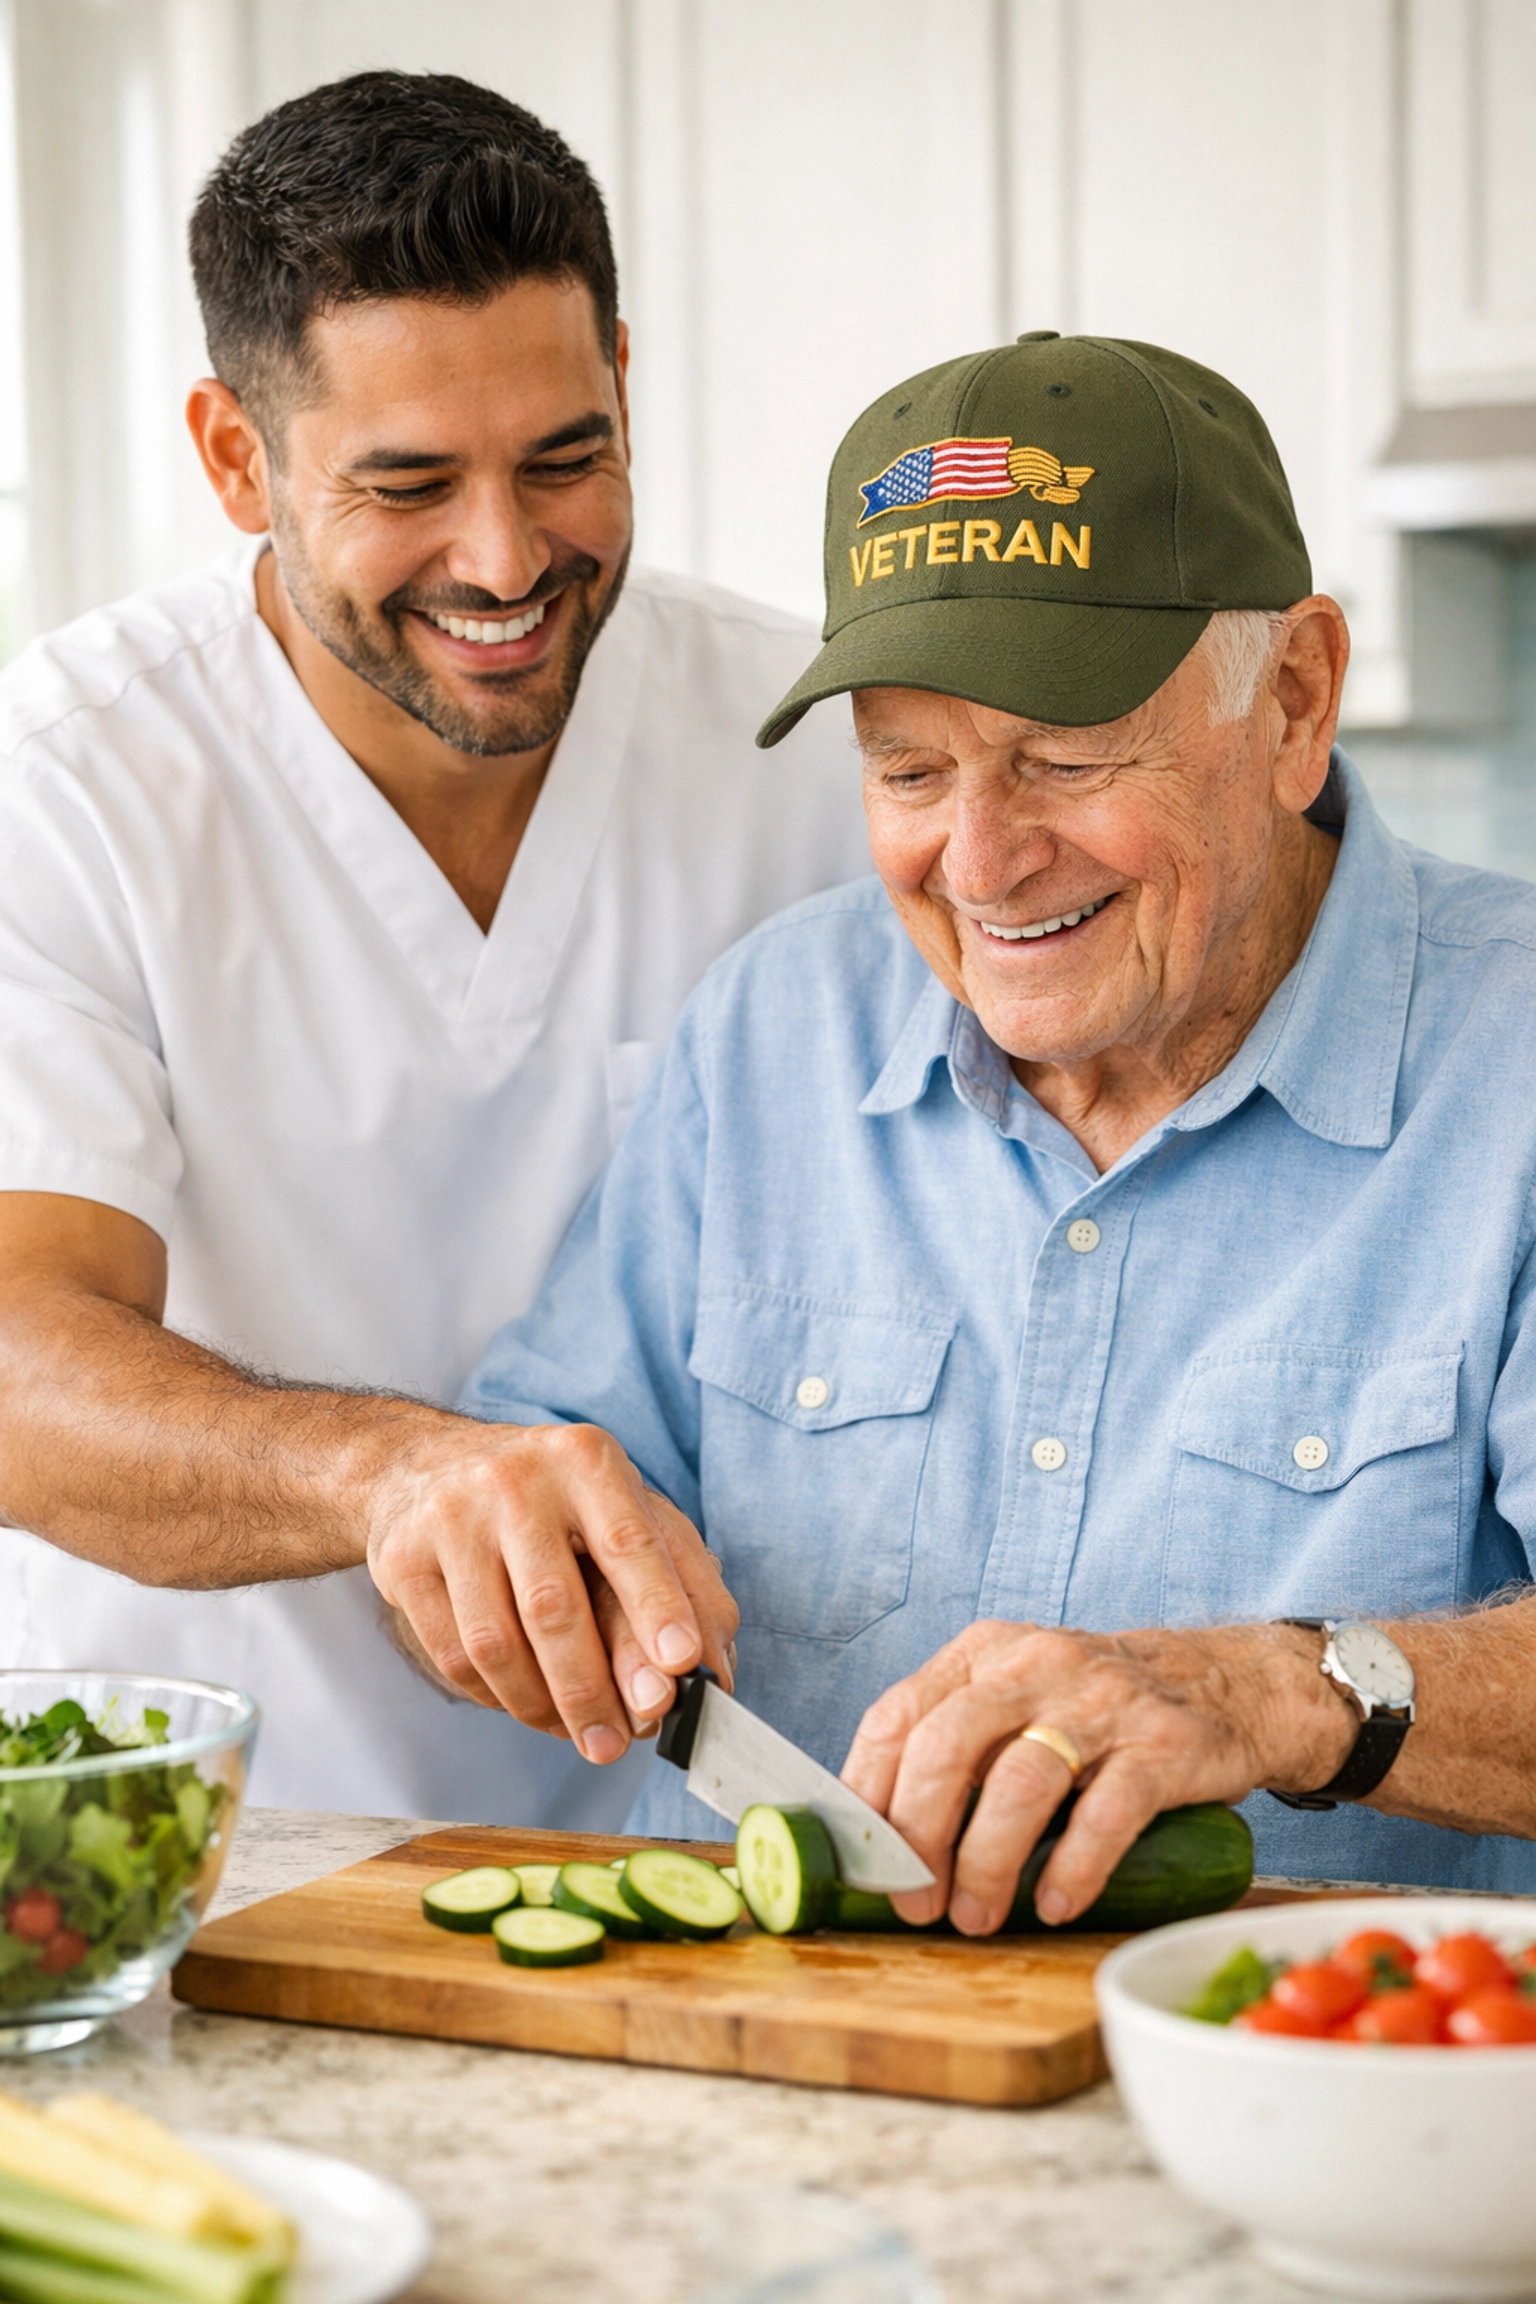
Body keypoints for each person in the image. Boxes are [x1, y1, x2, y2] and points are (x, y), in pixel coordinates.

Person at [461, 331, 1536, 1925]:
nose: (979, 861)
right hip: (771, 2067)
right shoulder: (771, 1033)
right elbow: (528, 1495)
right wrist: (494, 1543)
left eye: (1065, 757)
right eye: (908, 768)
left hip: (1341, 2096)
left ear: (1297, 699)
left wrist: (1285, 1694)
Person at [0, 71, 863, 1825]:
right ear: (238, 459)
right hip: (215, 1852)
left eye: (567, 459)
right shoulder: (71, 782)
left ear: (628, 376)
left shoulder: (821, 750)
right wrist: (388, 1472)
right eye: (408, 484)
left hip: (714, 1829)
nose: (507, 559)